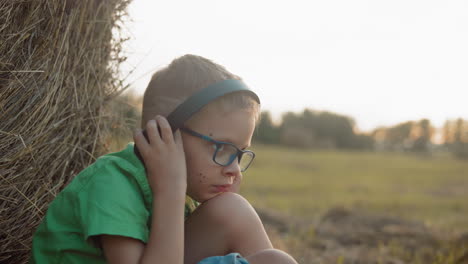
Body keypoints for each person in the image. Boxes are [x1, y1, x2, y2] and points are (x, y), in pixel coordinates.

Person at [30, 54, 298, 264]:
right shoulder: (112, 182)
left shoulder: (183, 198)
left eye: (239, 154)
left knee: (266, 249)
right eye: (222, 148)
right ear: (164, 134)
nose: (234, 170)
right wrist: (170, 189)